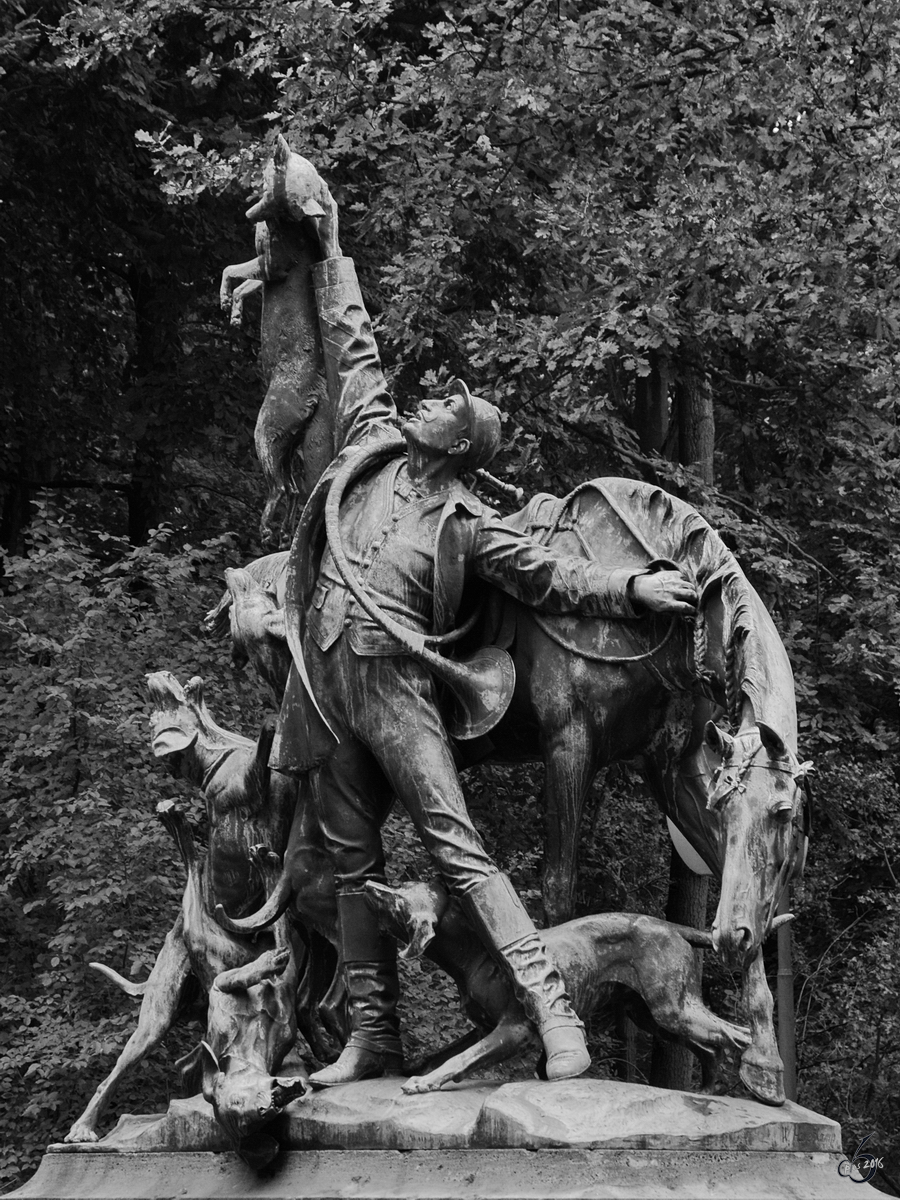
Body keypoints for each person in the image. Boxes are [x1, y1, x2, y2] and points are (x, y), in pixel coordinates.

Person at [271, 176, 699, 1089]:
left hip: (395, 684)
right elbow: (352, 342)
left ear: (460, 443)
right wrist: (333, 240)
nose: (429, 401)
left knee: (455, 845)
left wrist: (633, 585)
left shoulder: (467, 520)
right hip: (325, 683)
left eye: (447, 406)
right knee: (352, 865)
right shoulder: (372, 446)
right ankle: (373, 1038)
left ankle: (551, 1011)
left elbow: (555, 574)